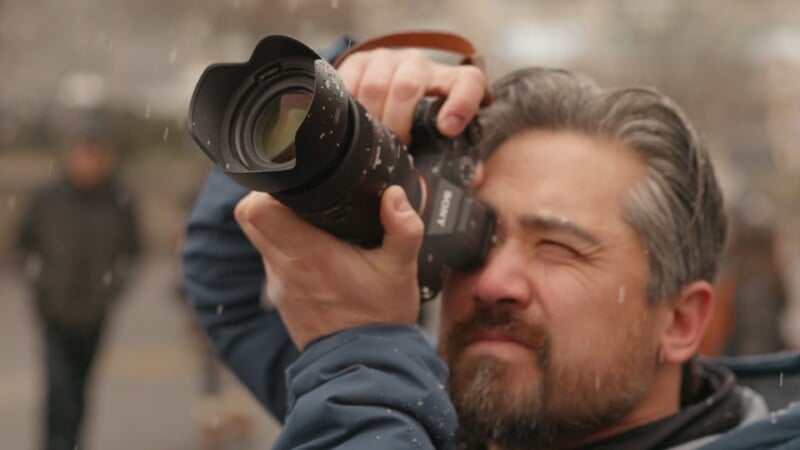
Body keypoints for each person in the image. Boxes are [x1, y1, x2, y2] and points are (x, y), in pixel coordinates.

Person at [182, 40, 800, 449]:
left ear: (682, 320)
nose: (492, 280)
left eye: (557, 247)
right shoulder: (431, 408)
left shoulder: (387, 395)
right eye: (480, 233)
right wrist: (339, 99)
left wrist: (360, 360)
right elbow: (226, 283)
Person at [17, 131, 140, 450]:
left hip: (94, 312)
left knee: (81, 387)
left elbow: (133, 251)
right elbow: (21, 245)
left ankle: (72, 442)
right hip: (54, 310)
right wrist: (39, 285)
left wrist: (112, 290)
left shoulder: (118, 199)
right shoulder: (48, 197)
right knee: (59, 387)